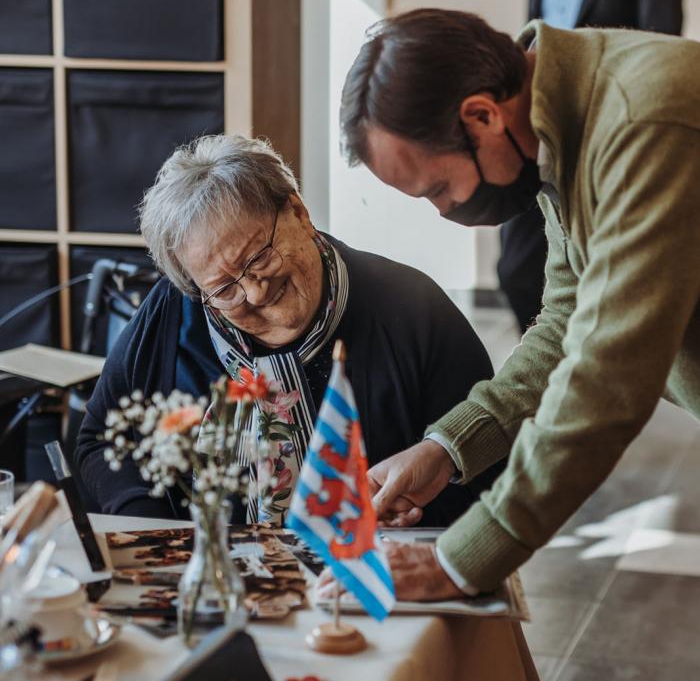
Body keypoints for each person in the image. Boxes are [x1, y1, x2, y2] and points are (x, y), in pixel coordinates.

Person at [339, 8, 700, 599]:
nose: (445, 211)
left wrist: (459, 559)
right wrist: (446, 447)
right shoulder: (561, 124)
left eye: (437, 188)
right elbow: (566, 322)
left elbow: (607, 376)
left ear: (481, 115)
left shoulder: (642, 121)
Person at [76, 133, 501, 526]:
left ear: (298, 211)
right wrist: (157, 531)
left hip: (371, 575)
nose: (255, 292)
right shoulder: (175, 310)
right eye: (225, 288)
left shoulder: (412, 309)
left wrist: (414, 513)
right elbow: (97, 443)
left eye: (258, 257)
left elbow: (488, 456)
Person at [500, 0, 684, 333]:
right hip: (542, 126)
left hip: (611, 127)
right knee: (515, 269)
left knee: (607, 275)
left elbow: (662, 42)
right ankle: (557, 357)